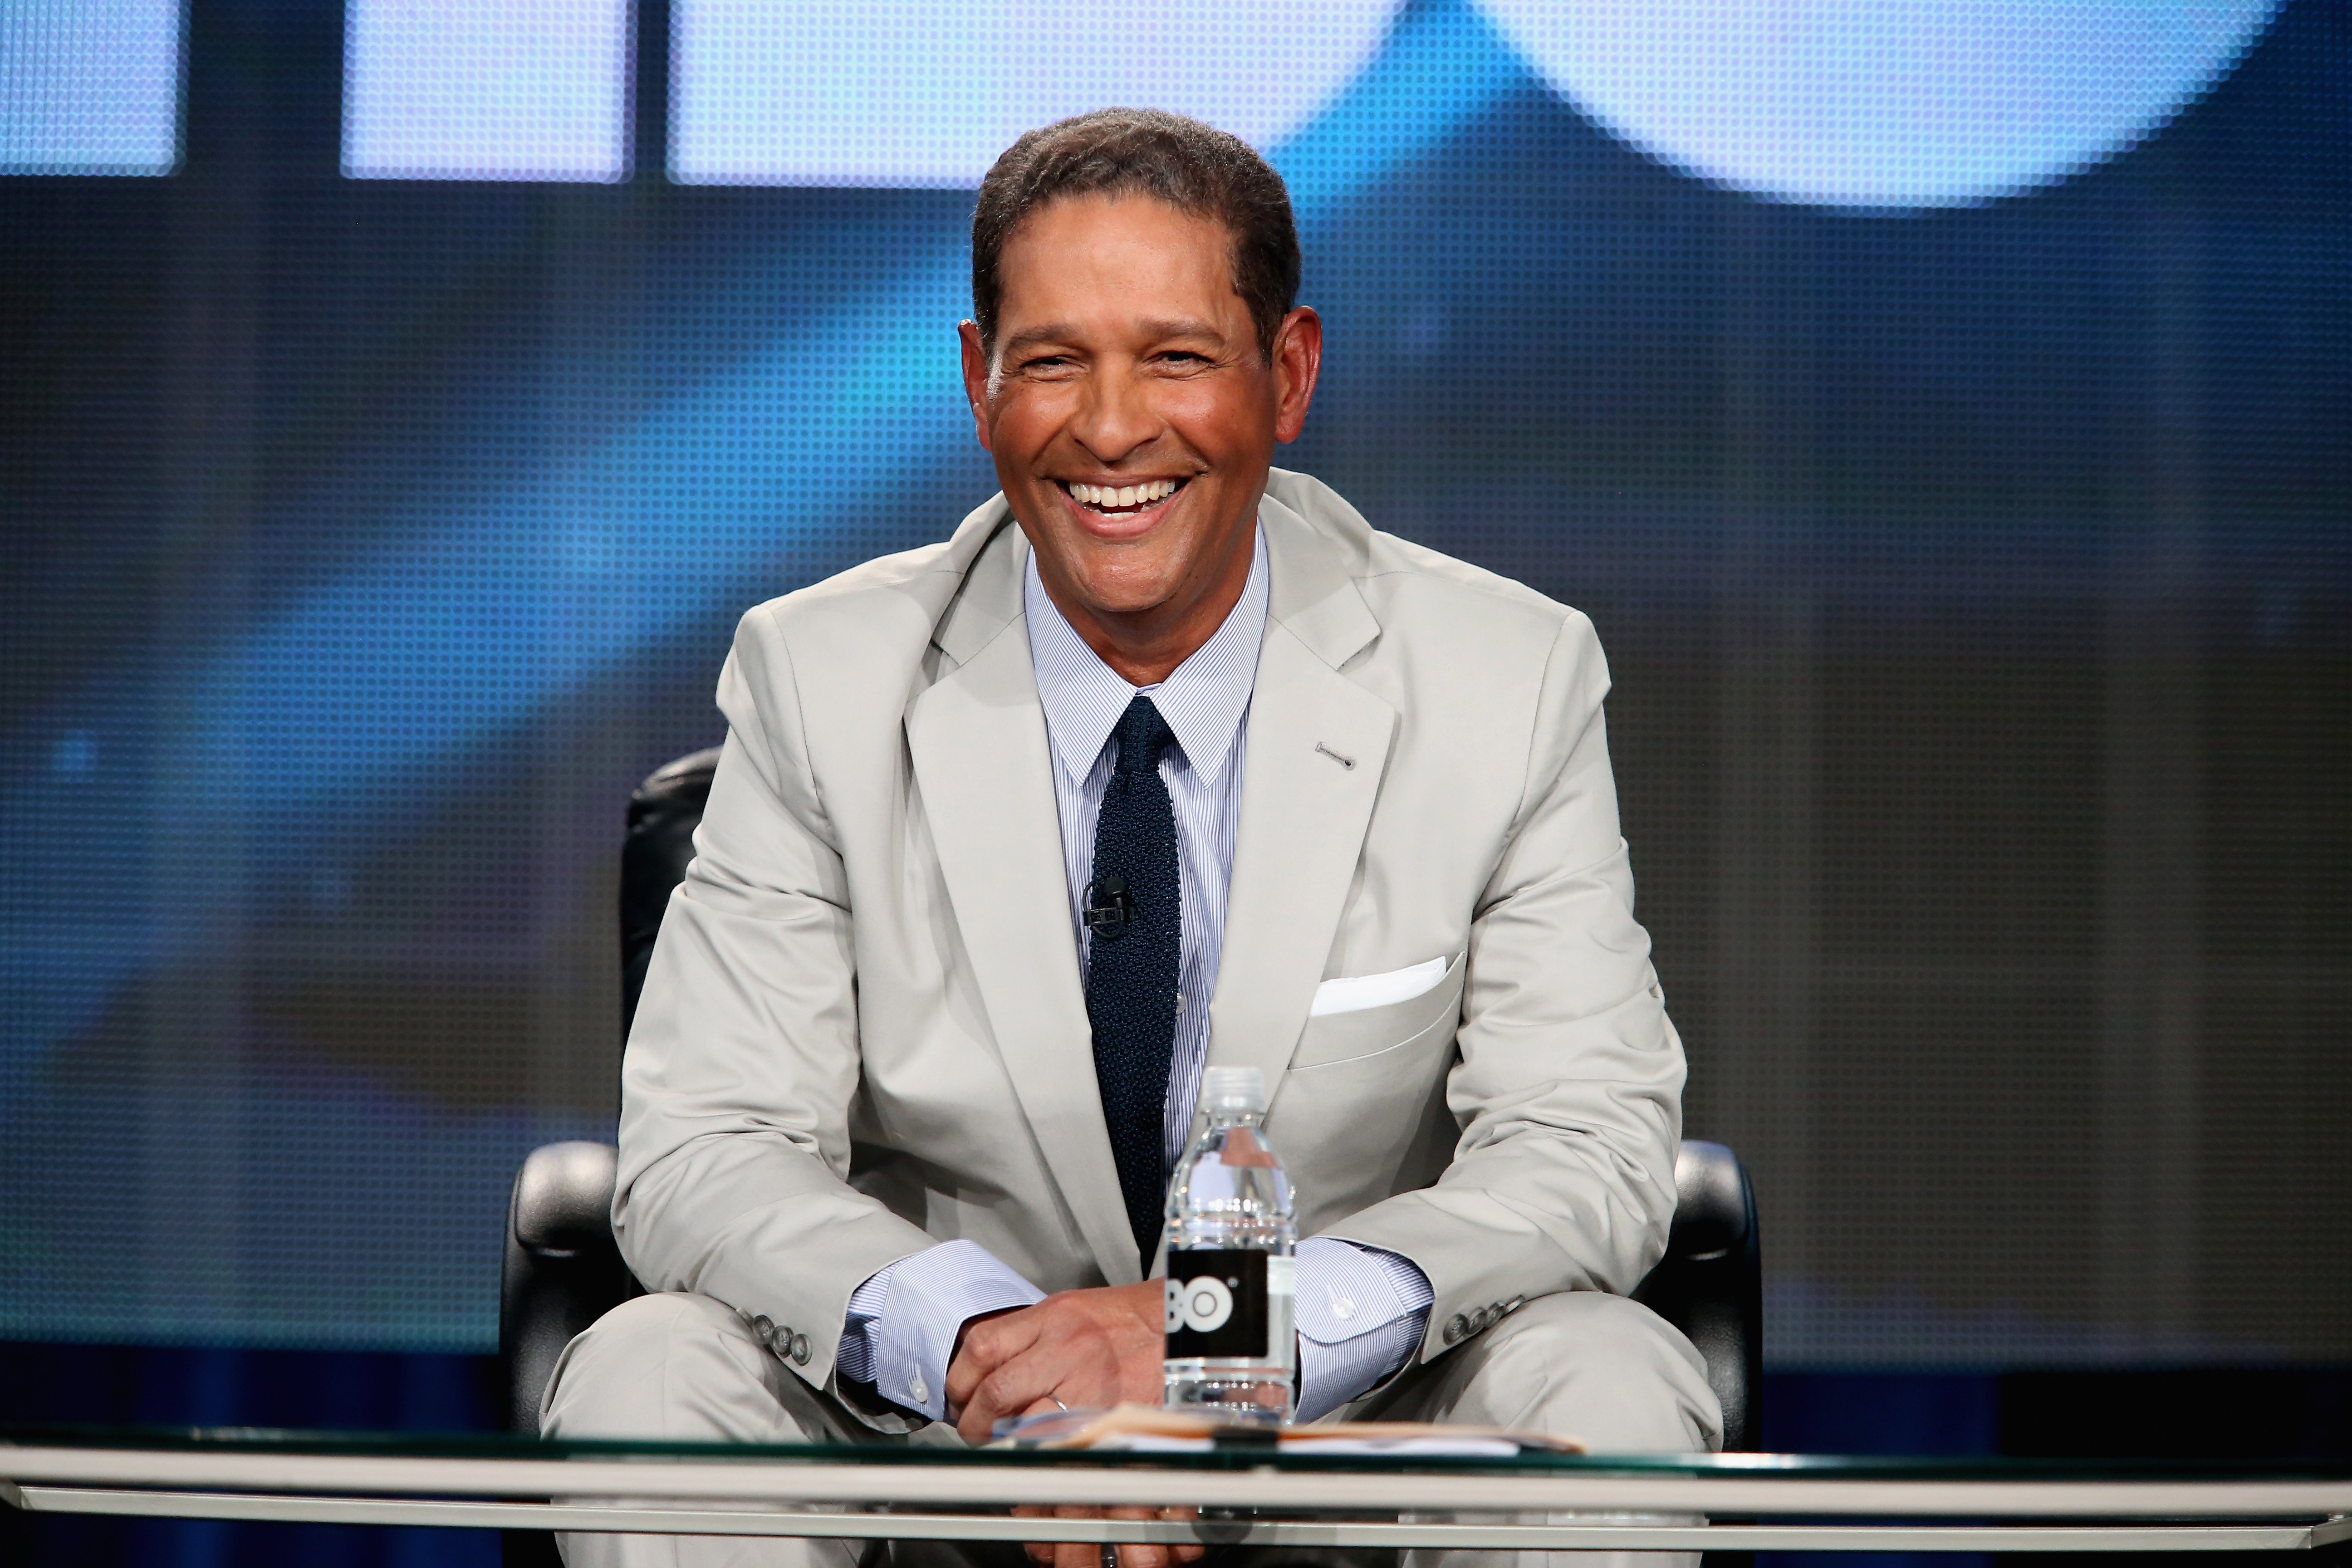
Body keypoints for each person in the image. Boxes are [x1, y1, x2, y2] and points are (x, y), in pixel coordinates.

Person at [542, 107, 1721, 1568]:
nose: (1110, 429)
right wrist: (997, 1352)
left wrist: (1222, 1339)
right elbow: (706, 1147)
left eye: (1175, 357)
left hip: (1341, 1414)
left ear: (1285, 376)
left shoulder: (1505, 677)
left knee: (1613, 1383)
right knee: (649, 1372)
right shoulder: (820, 674)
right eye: (1051, 362)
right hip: (945, 1424)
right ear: (979, 385)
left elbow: (1588, 1139)